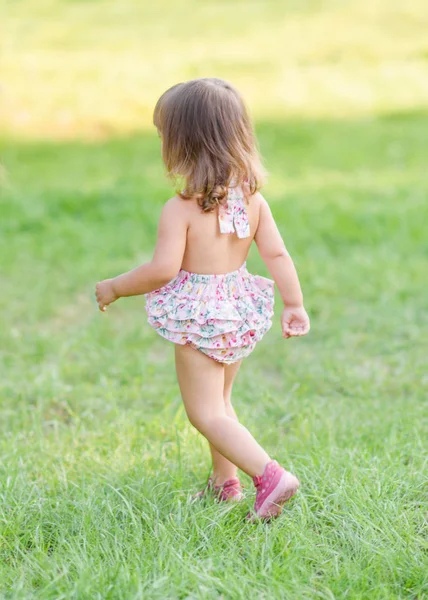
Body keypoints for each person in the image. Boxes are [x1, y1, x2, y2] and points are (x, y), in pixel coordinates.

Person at [95, 78, 310, 520]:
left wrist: (115, 286)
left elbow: (162, 270)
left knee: (204, 413)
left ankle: (269, 476)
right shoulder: (253, 202)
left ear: (183, 144)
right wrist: (294, 304)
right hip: (238, 309)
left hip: (200, 318)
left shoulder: (182, 209)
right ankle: (223, 484)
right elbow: (277, 253)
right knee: (222, 404)